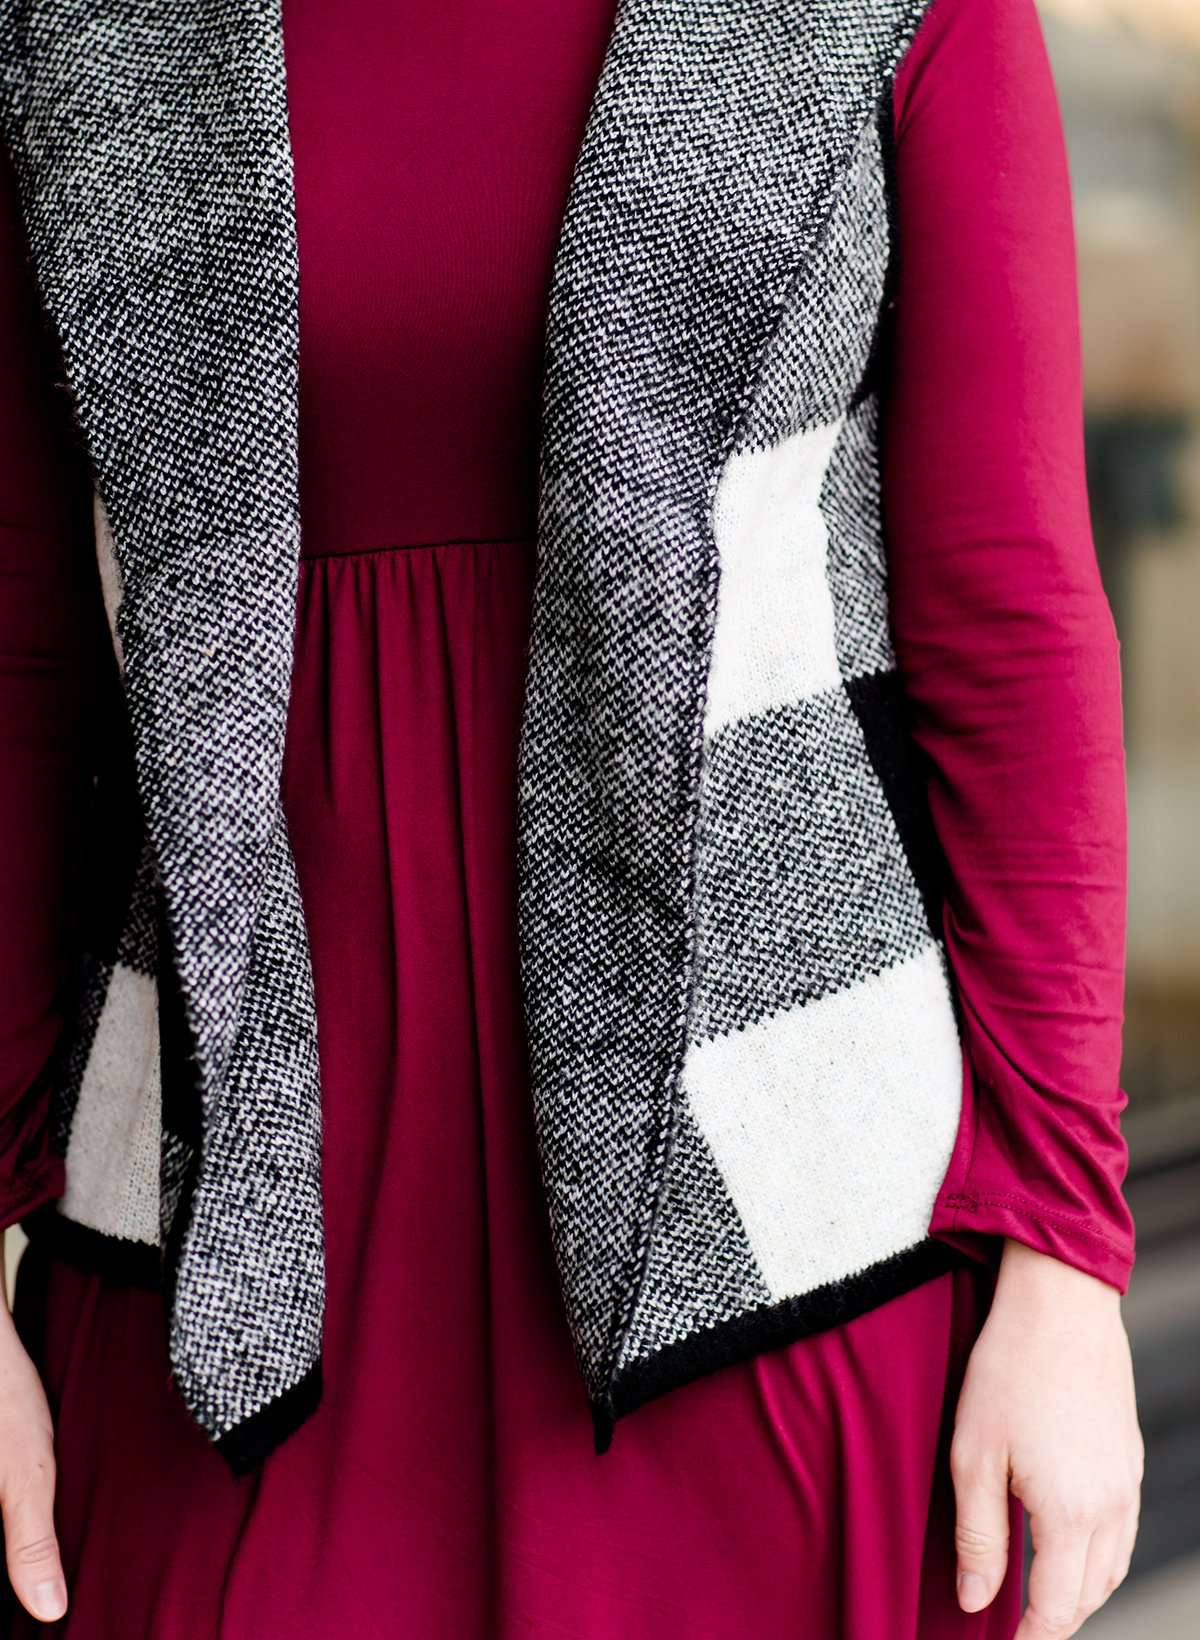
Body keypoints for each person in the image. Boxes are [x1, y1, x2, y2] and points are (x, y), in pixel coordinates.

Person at [0, 0, 1142, 1635]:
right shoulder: (73, 29)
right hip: (215, 1253)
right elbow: (22, 652)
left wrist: (1062, 1250)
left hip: (761, 1227)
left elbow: (1009, 609)